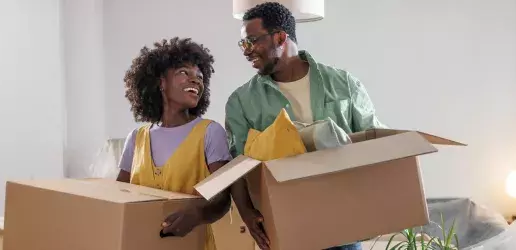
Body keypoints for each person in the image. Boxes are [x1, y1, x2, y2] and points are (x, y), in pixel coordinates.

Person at [225, 3, 386, 250]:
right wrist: (246, 211)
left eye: (252, 41)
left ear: (279, 37)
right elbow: (237, 164)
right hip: (285, 226)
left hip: (344, 226)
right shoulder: (241, 102)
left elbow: (376, 142)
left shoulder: (344, 84)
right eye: (243, 44)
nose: (246, 51)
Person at [116, 37, 233, 250]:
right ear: (161, 82)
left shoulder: (210, 132)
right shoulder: (136, 138)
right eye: (183, 73)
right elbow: (118, 197)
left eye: (199, 76)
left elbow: (224, 197)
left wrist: (198, 214)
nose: (195, 80)